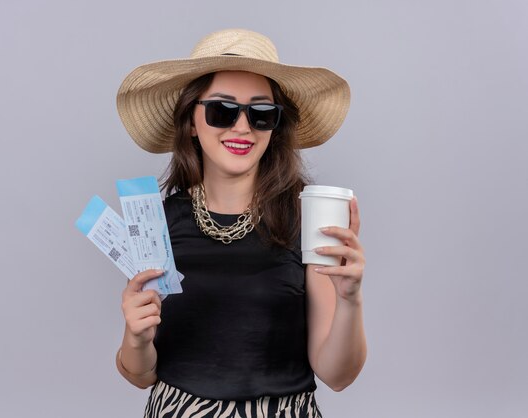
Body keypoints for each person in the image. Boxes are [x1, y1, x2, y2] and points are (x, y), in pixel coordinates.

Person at [114, 29, 366, 418]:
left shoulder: (308, 219)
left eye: (262, 113)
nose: (242, 127)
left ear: (275, 127)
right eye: (222, 110)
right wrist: (136, 335)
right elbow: (140, 374)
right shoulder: (156, 223)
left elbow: (338, 375)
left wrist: (350, 300)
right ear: (192, 122)